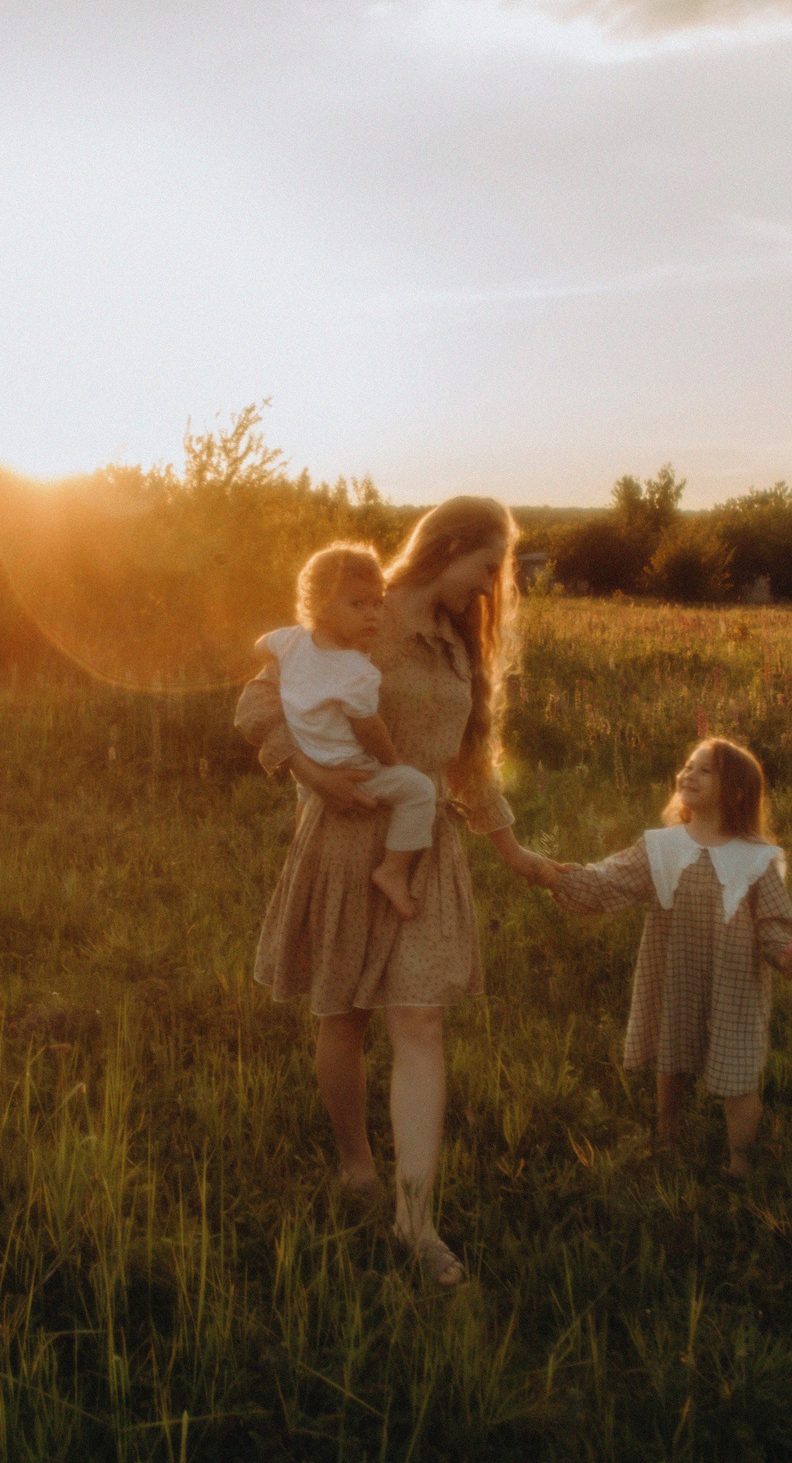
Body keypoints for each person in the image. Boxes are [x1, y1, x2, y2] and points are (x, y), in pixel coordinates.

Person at [234, 496, 558, 1288]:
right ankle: (356, 1162)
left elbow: (469, 766)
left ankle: (416, 1220)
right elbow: (257, 701)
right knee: (341, 1012)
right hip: (345, 839)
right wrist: (307, 769)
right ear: (446, 547)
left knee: (418, 1020)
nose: (489, 589)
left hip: (424, 852)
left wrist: (512, 849)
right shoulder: (359, 608)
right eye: (485, 568)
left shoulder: (460, 644)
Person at [520, 736, 792, 1176]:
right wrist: (558, 878)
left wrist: (784, 951)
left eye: (704, 770)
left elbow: (774, 922)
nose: (687, 774)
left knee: (739, 1071)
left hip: (734, 985)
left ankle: (741, 1163)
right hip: (674, 970)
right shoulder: (663, 847)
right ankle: (667, 1139)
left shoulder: (756, 858)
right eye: (687, 765)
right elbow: (609, 880)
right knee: (670, 1055)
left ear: (735, 792)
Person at [254, 543, 437, 920]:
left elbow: (260, 645)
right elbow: (369, 728)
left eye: (377, 603)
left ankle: (299, 864)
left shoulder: (290, 640)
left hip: (309, 757)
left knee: (305, 815)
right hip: (352, 768)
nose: (372, 615)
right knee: (419, 790)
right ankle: (393, 870)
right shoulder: (357, 671)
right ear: (321, 605)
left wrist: (286, 667)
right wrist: (393, 761)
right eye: (357, 605)